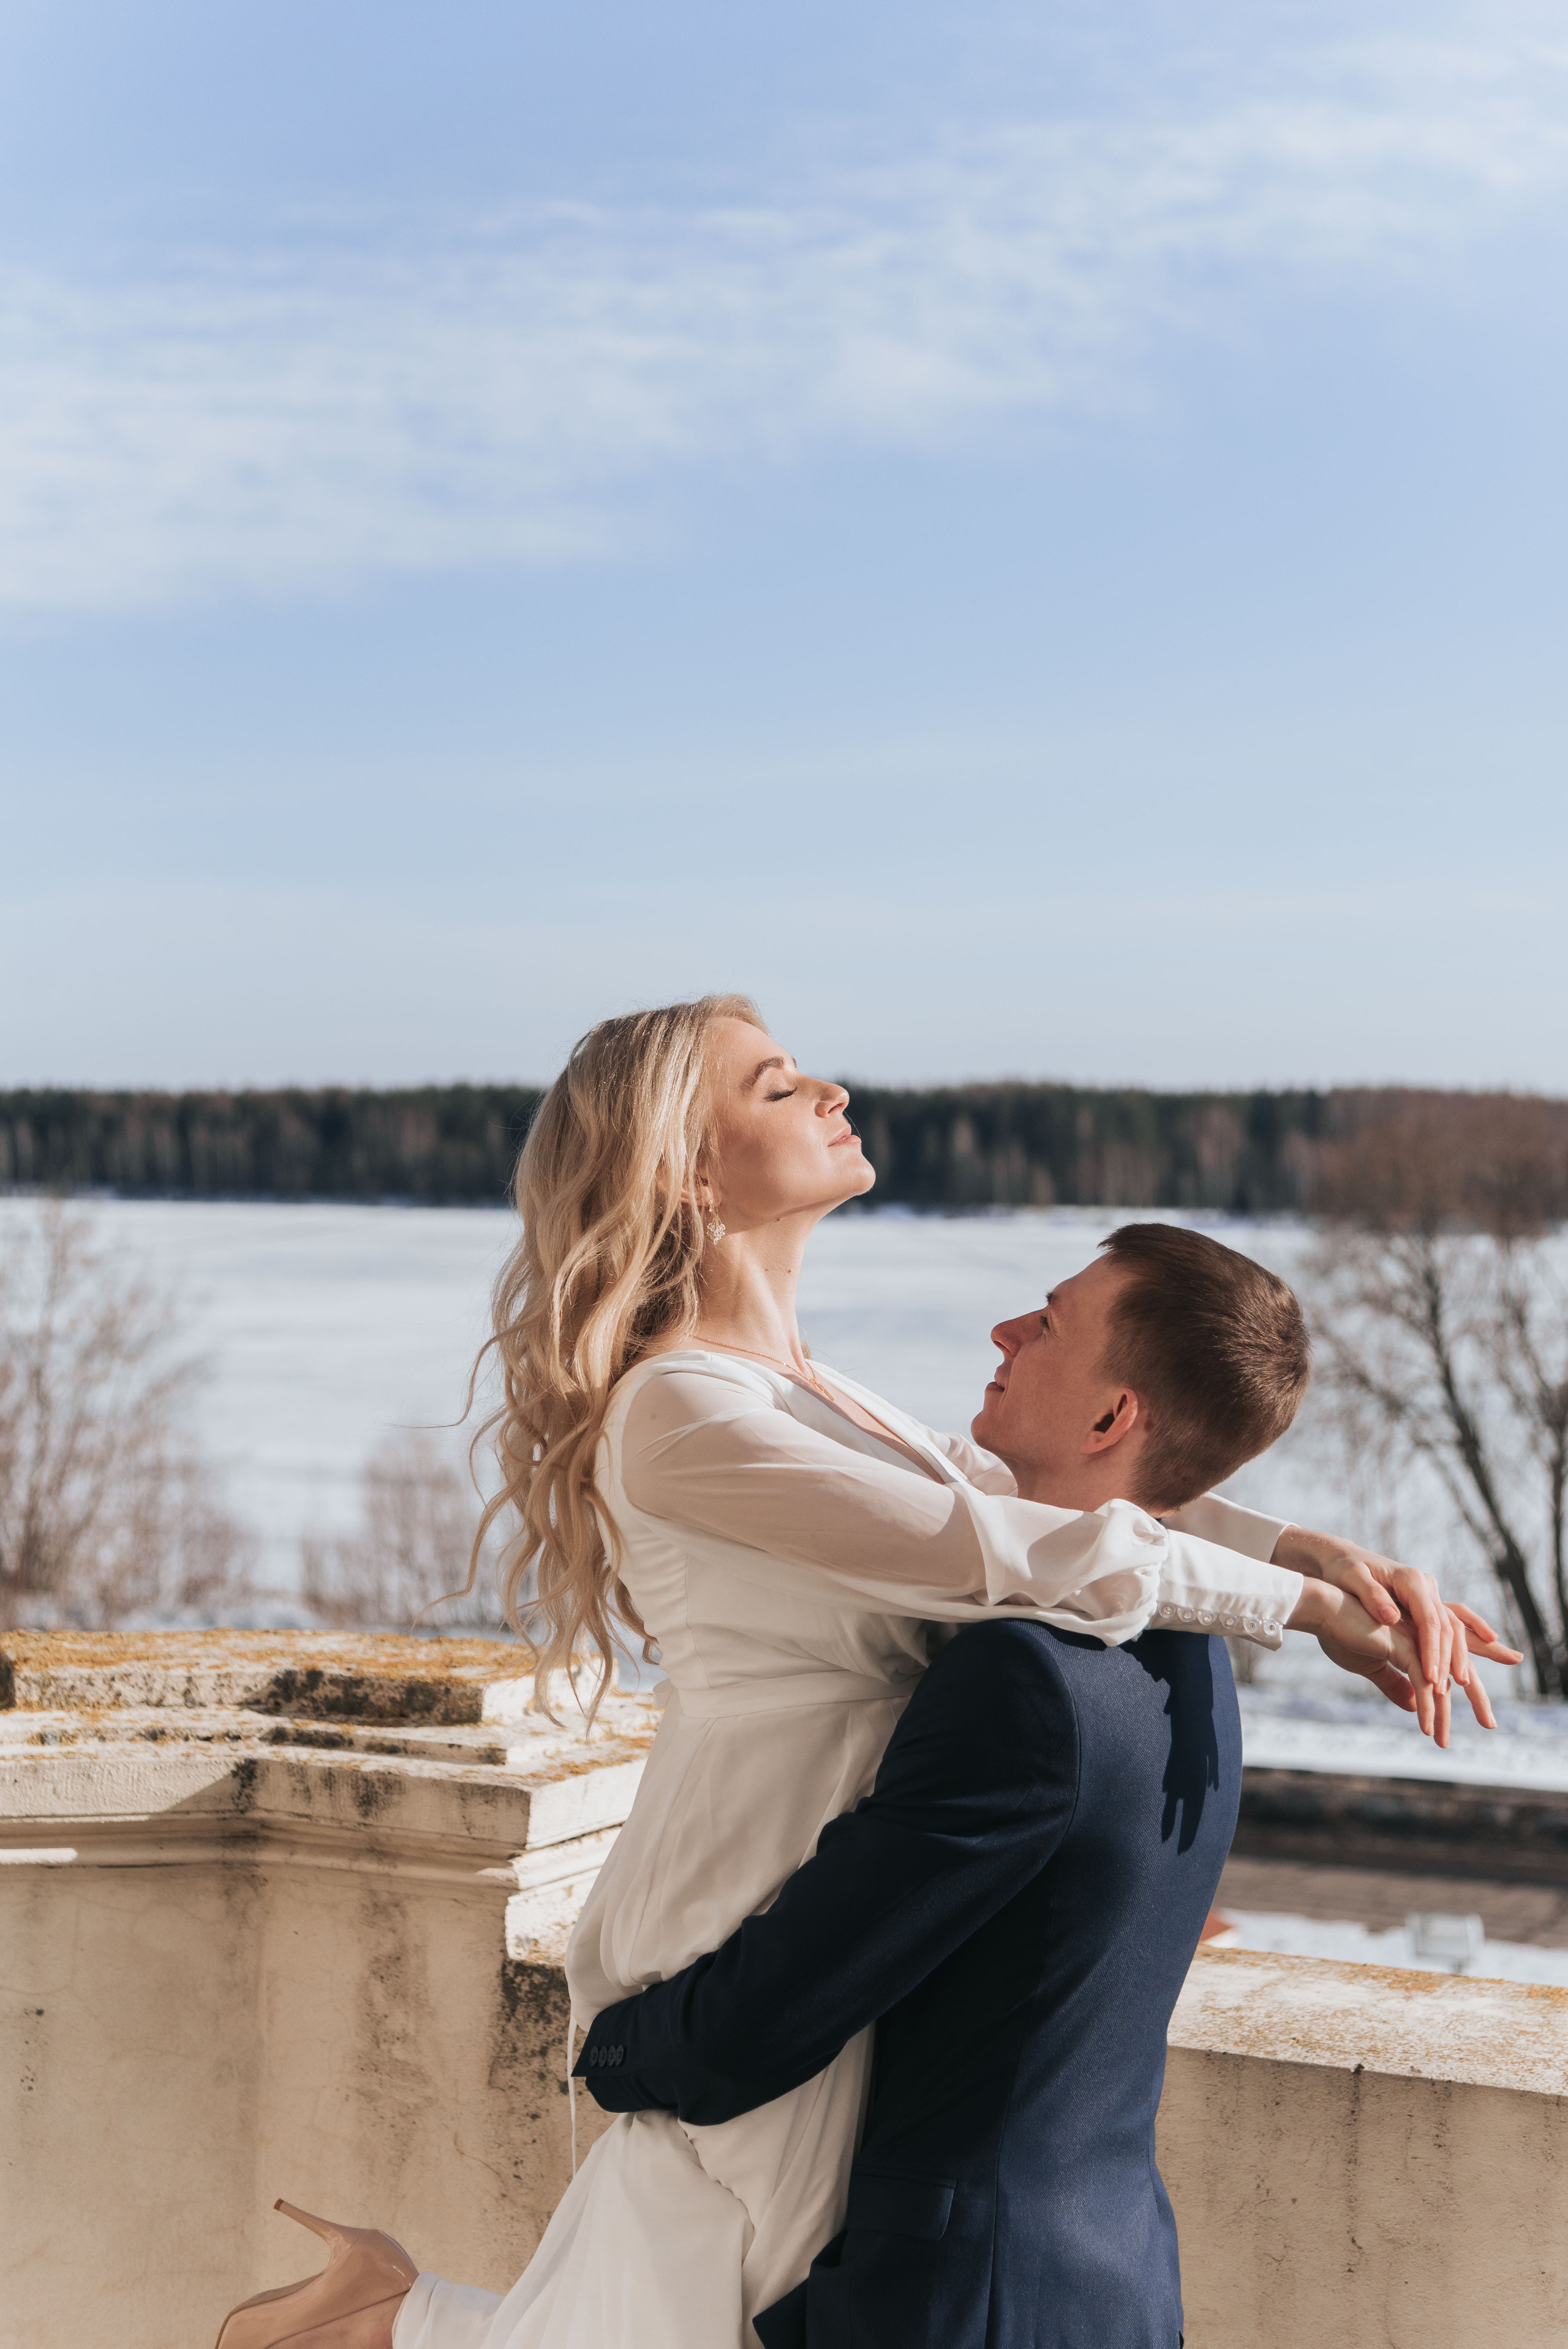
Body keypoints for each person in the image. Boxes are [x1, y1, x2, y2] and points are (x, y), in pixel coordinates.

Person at [215, 996, 1511, 2349]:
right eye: (775, 1088)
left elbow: (1030, 1506)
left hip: (806, 1907)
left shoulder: (827, 1398)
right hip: (726, 1914)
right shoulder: (680, 1411)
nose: (827, 1088)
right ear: (686, 1173)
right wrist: (1299, 1603)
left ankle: (382, 2315)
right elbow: (994, 1545)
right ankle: (382, 2322)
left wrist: (1318, 1554)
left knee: (677, 2310)